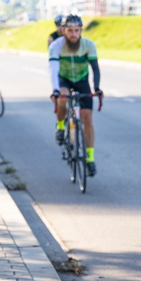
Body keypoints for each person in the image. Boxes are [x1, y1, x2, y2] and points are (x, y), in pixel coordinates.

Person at [49, 14, 103, 177]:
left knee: (87, 120)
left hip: (82, 80)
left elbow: (95, 68)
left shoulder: (88, 45)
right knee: (62, 99)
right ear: (63, 31)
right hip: (64, 80)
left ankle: (90, 159)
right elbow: (53, 69)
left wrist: (97, 87)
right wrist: (56, 89)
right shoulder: (56, 46)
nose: (73, 34)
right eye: (70, 31)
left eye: (76, 31)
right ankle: (60, 127)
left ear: (81, 31)